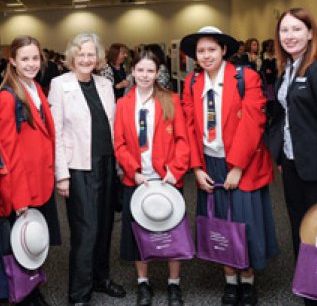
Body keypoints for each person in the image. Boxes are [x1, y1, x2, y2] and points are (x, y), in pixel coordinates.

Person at [181, 26, 278, 306]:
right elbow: (188, 128)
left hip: (242, 162)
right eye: (201, 51)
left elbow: (253, 122)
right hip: (209, 162)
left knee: (244, 222)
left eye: (212, 49)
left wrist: (236, 167)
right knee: (219, 221)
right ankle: (230, 280)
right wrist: (197, 168)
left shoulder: (245, 77)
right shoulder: (192, 83)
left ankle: (247, 281)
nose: (206, 55)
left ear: (224, 50)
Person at [264, 8, 317, 306]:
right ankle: (311, 287)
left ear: (311, 33)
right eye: (284, 30)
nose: (290, 36)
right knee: (301, 227)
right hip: (294, 164)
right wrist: (284, 158)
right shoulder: (289, 68)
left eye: (296, 29)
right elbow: (288, 116)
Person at [48, 33, 125, 306]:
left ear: (98, 57)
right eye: (81, 54)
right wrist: (62, 174)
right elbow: (55, 133)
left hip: (106, 164)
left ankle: (100, 279)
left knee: (105, 227)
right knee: (86, 231)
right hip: (79, 167)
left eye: (91, 54)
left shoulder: (105, 83)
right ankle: (79, 293)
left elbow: (113, 127)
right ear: (72, 57)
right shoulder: (59, 85)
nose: (86, 59)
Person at [114, 49, 190, 306]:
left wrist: (175, 170)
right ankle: (143, 282)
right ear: (132, 71)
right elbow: (119, 144)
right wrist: (132, 171)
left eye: (150, 70)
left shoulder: (170, 99)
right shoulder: (123, 104)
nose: (145, 75)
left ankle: (174, 284)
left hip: (167, 179)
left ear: (158, 73)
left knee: (172, 232)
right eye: (140, 70)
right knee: (138, 234)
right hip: (137, 180)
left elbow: (182, 140)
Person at [0, 35, 61, 306]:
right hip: (21, 189)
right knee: (20, 246)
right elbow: (8, 153)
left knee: (34, 242)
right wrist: (19, 198)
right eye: (24, 59)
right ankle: (24, 296)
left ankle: (33, 289)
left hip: (40, 183)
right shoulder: (7, 96)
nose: (31, 63)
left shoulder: (35, 88)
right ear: (13, 61)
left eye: (35, 58)